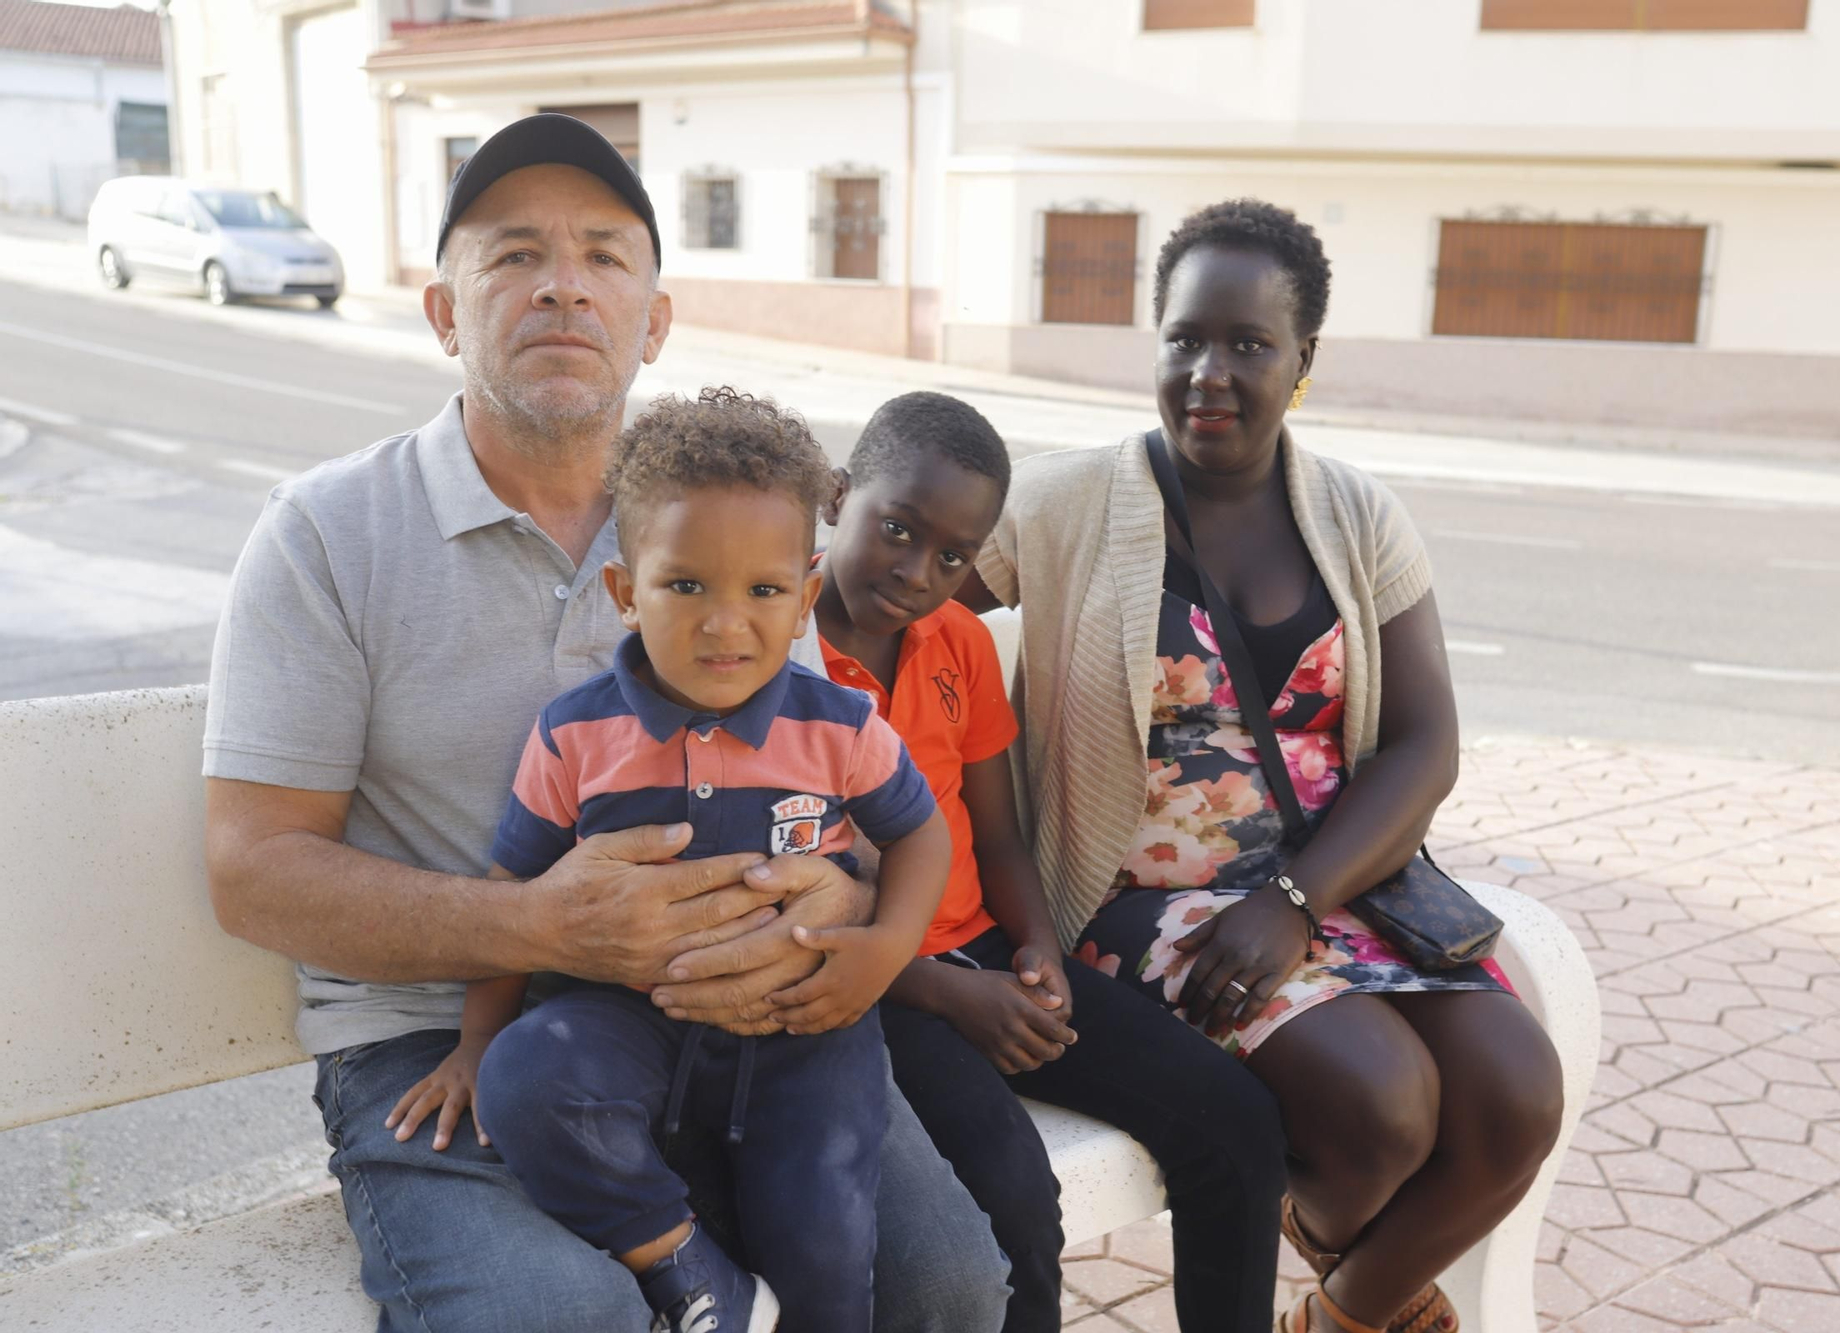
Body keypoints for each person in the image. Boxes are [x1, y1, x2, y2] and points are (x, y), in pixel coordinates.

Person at [200, 112, 1009, 1333]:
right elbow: (252, 872)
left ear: (655, 318)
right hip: (443, 1044)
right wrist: (536, 924)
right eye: (513, 253)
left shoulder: (728, 523)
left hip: (754, 1006)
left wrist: (839, 896)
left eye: (603, 256)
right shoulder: (325, 536)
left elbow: (837, 781)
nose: (562, 287)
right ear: (443, 312)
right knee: (565, 1318)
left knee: (948, 1281)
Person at [967, 199, 1566, 1333]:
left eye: (1248, 345)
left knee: (1516, 1093)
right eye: (1185, 337)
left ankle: (1341, 1312)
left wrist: (1297, 900)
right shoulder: (1061, 503)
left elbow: (1424, 743)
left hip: (1331, 883)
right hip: (1140, 905)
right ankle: (1363, 1277)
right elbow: (886, 602)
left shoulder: (1356, 514)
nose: (1209, 371)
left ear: (1302, 360)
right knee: (1385, 1107)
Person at [382, 388, 952, 1333]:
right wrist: (477, 1046)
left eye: (764, 592)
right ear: (625, 592)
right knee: (526, 1083)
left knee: (828, 1243)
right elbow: (511, 891)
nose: (726, 625)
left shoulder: (841, 726)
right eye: (686, 585)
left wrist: (888, 946)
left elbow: (921, 832)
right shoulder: (575, 736)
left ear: (808, 595)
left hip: (802, 1027)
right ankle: (689, 1274)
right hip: (622, 1021)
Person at [814, 391, 1288, 1333]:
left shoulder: (955, 644)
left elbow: (995, 836)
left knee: (1235, 1127)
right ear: (838, 496)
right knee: (1016, 1205)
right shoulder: (771, 652)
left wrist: (1036, 954)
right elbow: (788, 908)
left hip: (981, 952)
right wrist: (951, 997)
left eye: (952, 556)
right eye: (897, 530)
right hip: (871, 987)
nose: (917, 572)